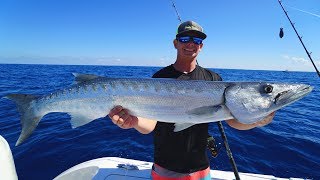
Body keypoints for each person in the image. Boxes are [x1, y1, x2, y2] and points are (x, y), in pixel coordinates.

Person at [108, 20, 275, 180]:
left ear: (201, 46)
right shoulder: (160, 77)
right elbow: (149, 125)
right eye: (185, 39)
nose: (190, 44)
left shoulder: (213, 78)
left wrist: (256, 122)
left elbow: (233, 121)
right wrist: (134, 121)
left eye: (196, 39)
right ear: (175, 43)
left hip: (201, 169)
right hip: (165, 168)